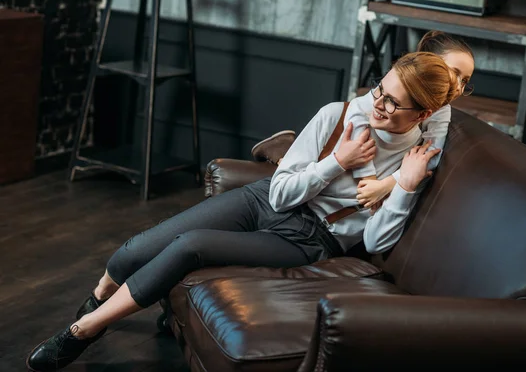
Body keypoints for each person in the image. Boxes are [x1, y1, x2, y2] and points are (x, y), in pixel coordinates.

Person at [26, 51, 457, 372]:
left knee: (190, 246)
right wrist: (337, 162)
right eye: (378, 90)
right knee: (134, 250)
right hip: (266, 198)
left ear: (425, 112)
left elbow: (376, 240)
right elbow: (284, 192)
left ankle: (81, 331)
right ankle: (100, 296)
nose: (376, 104)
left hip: (307, 240)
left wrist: (402, 185)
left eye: (391, 103)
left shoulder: (414, 163)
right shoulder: (339, 116)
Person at [252, 31, 475, 213]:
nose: (458, 85)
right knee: (335, 149)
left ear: (423, 114)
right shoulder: (389, 91)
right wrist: (367, 178)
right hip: (360, 145)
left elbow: (431, 154)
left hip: (392, 149)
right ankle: (284, 151)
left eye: (464, 80)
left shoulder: (441, 112)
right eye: (453, 73)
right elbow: (357, 113)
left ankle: (284, 152)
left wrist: (387, 185)